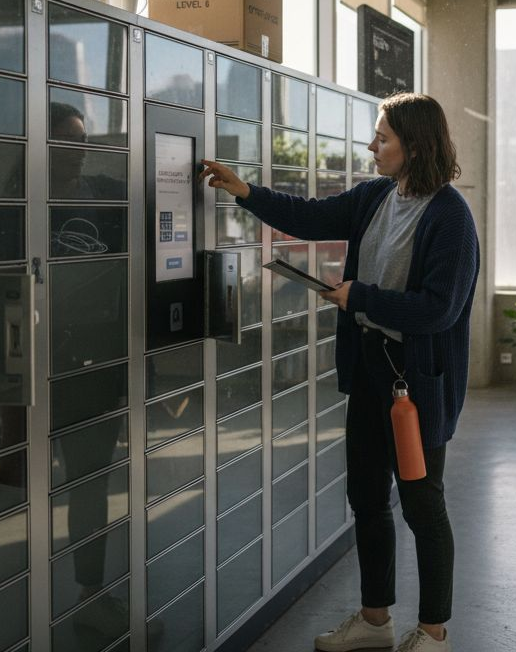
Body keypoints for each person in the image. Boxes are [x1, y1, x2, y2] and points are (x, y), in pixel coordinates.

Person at [199, 92, 478, 652]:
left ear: (415, 145)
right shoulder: (377, 195)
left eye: (383, 138)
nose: (371, 146)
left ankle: (433, 633)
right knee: (367, 499)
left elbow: (438, 309)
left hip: (417, 384)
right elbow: (310, 215)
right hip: (370, 370)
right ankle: (375, 623)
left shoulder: (451, 217)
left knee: (424, 506)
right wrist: (245, 191)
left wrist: (361, 297)